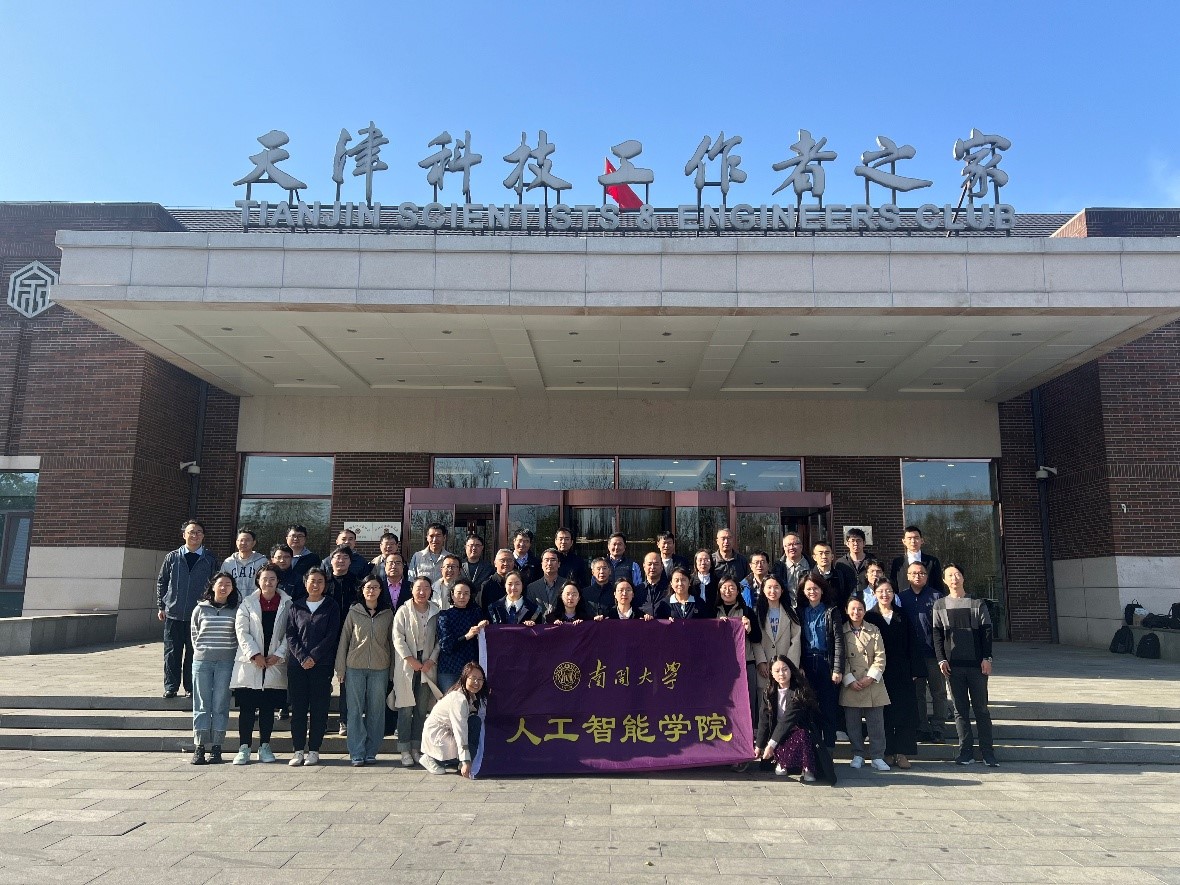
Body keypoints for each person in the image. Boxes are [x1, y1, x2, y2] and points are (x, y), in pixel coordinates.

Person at [933, 563, 997, 767]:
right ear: (944, 580)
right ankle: (965, 751)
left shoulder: (977, 603)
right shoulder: (940, 605)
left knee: (981, 709)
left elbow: (987, 632)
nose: (954, 578)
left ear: (963, 577)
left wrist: (987, 658)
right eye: (950, 575)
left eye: (957, 574)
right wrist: (941, 659)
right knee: (960, 710)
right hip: (953, 667)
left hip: (977, 665)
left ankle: (988, 752)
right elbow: (937, 635)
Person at [230, 563, 290, 765]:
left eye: (272, 579)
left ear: (278, 581)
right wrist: (254, 655)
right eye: (265, 579)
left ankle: (265, 745)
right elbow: (242, 631)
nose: (268, 582)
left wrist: (278, 655)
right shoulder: (247, 603)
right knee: (247, 709)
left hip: (274, 663)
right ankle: (244, 747)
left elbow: (290, 633)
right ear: (258, 581)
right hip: (251, 663)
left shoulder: (287, 603)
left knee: (267, 708)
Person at [334, 575, 396, 766]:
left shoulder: (387, 613)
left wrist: (393, 672)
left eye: (375, 587)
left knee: (376, 711)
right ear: (362, 590)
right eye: (368, 587)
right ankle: (356, 751)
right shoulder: (354, 611)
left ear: (380, 590)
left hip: (380, 668)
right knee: (354, 710)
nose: (371, 591)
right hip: (355, 667)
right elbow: (344, 640)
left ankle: (371, 751)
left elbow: (392, 644)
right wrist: (340, 668)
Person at [157, 519, 219, 699]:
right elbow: (162, 582)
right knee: (172, 652)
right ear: (184, 535)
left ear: (203, 536)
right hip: (174, 613)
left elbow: (215, 585)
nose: (195, 535)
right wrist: (161, 605)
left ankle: (191, 687)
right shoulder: (172, 557)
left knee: (194, 653)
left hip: (199, 615)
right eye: (191, 532)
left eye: (199, 532)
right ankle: (171, 687)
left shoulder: (210, 558)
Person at [285, 567, 341, 767]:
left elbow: (332, 635)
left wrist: (314, 657)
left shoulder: (331, 606)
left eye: (320, 581)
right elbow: (290, 634)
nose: (315, 585)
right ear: (305, 582)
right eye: (312, 581)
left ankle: (314, 749)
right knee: (298, 709)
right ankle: (298, 750)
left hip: (322, 665)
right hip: (297, 665)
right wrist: (302, 657)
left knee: (319, 708)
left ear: (325, 585)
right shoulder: (296, 606)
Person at [865, 579, 923, 769]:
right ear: (874, 594)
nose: (885, 595)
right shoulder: (870, 617)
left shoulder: (902, 615)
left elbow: (913, 643)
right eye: (881, 591)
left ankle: (902, 752)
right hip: (879, 671)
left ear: (894, 594)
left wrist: (915, 669)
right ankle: (887, 751)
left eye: (888, 591)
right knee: (885, 713)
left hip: (902, 670)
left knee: (905, 712)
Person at [189, 571, 240, 765]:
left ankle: (217, 747)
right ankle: (200, 747)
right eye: (221, 583)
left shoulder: (235, 610)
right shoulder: (200, 609)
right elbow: (195, 635)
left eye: (228, 584)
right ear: (212, 586)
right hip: (202, 662)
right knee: (202, 704)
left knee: (220, 704)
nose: (224, 587)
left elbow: (237, 637)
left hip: (226, 663)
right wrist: (203, 652)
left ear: (232, 588)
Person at [391, 576, 441, 766]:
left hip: (428, 664)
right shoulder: (403, 611)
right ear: (411, 589)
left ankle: (416, 747)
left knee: (421, 709)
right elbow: (397, 638)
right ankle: (404, 749)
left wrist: (431, 660)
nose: (422, 592)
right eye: (418, 588)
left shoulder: (436, 611)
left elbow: (440, 639)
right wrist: (410, 659)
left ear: (431, 591)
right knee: (405, 708)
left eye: (426, 588)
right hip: (407, 663)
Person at [899, 561, 949, 742]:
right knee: (917, 694)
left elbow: (944, 627)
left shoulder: (937, 597)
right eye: (914, 573)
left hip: (934, 653)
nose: (917, 576)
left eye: (921, 573)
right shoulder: (901, 598)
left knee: (938, 692)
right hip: (913, 655)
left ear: (927, 576)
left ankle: (938, 728)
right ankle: (922, 727)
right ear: (908, 576)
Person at [841, 596, 891, 772]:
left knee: (876, 723)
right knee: (853, 724)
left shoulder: (873, 630)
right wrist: (849, 679)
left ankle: (877, 756)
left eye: (860, 609)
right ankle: (858, 754)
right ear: (847, 611)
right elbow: (840, 657)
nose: (856, 612)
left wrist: (870, 677)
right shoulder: (841, 631)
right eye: (853, 609)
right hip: (851, 683)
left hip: (872, 683)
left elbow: (880, 656)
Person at [796, 572, 844, 748]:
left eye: (815, 588)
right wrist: (799, 665)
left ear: (822, 590)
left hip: (826, 663)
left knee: (828, 707)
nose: (812, 592)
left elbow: (838, 641)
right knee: (810, 707)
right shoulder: (799, 612)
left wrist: (837, 669)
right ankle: (813, 749)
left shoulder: (831, 611)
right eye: (808, 589)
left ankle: (829, 748)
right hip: (807, 663)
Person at [754, 655, 819, 782]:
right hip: (778, 734)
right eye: (777, 671)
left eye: (785, 669)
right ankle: (782, 762)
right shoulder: (769, 691)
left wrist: (771, 745)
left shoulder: (799, 691)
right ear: (771, 673)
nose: (781, 674)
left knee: (801, 735)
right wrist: (759, 746)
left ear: (791, 670)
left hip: (798, 731)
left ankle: (807, 768)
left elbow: (787, 720)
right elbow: (764, 720)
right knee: (776, 741)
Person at [420, 661, 489, 777]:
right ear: (464, 678)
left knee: (474, 721)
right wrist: (466, 760)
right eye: (473, 678)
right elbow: (460, 731)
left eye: (480, 679)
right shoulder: (459, 699)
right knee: (472, 725)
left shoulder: (469, 696)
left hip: (448, 732)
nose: (476, 682)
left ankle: (458, 761)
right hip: (438, 736)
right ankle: (432, 759)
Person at [713, 576, 762, 730]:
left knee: (747, 702)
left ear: (738, 591)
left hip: (745, 663)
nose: (728, 591)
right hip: (721, 665)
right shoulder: (712, 611)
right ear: (719, 591)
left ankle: (748, 734)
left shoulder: (747, 611)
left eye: (732, 588)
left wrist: (749, 629)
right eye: (724, 588)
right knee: (723, 702)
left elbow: (757, 638)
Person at [324, 545, 360, 737]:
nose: (341, 561)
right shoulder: (323, 582)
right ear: (331, 561)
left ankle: (344, 720)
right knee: (323, 680)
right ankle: (320, 720)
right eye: (337, 557)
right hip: (325, 637)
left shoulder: (357, 583)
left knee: (346, 680)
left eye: (345, 558)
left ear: (350, 562)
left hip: (350, 637)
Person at [436, 580, 488, 691]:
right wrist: (467, 636)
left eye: (466, 593)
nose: (462, 597)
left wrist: (485, 624)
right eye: (458, 593)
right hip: (449, 669)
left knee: (470, 701)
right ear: (452, 594)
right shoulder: (444, 616)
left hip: (471, 669)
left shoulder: (476, 613)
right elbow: (446, 645)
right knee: (451, 700)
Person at [754, 576, 802, 694]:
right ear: (763, 590)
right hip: (765, 667)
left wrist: (790, 664)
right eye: (769, 587)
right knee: (765, 699)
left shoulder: (790, 611)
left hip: (785, 667)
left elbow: (796, 639)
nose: (773, 591)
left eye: (776, 587)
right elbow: (755, 639)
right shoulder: (757, 612)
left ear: (782, 590)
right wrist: (760, 661)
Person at [890, 525, 944, 594]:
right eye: (909, 538)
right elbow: (894, 585)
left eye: (916, 538)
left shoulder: (932, 561)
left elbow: (938, 586)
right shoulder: (898, 563)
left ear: (922, 540)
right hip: (903, 599)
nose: (913, 541)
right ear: (904, 541)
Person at [223, 528, 267, 596]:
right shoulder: (228, 562)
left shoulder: (262, 562)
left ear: (254, 543)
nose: (243, 543)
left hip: (255, 600)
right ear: (236, 542)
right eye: (241, 540)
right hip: (233, 600)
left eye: (247, 540)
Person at [812, 541, 856, 609]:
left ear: (832, 556)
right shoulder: (809, 577)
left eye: (827, 553)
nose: (824, 556)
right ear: (814, 557)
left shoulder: (841, 576)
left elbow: (846, 599)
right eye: (820, 553)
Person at [772, 532, 811, 605]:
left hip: (808, 608)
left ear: (801, 546)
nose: (791, 547)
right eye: (788, 545)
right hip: (785, 608)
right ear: (784, 548)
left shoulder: (812, 565)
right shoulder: (778, 568)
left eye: (795, 544)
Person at [526, 548, 564, 615]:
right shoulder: (532, 588)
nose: (549, 563)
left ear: (559, 564)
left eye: (553, 560)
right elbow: (529, 611)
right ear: (542, 564)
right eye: (546, 560)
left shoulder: (566, 585)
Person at [837, 528, 872, 595]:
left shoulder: (872, 561)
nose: (856, 544)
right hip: (848, 599)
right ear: (847, 543)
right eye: (852, 541)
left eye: (859, 540)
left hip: (868, 598)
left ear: (864, 543)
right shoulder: (841, 563)